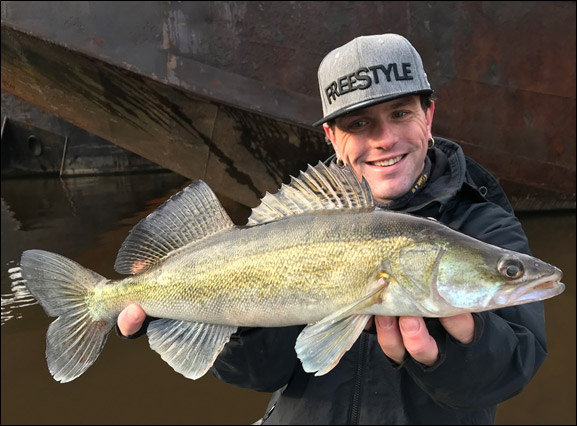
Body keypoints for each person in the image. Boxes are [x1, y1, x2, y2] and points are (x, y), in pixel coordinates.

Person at [117, 34, 547, 424]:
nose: (384, 139)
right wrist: (212, 314)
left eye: (400, 113)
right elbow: (256, 375)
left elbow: (514, 367)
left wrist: (454, 353)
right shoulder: (294, 226)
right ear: (331, 137)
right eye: (359, 123)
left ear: (428, 115)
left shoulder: (484, 223)